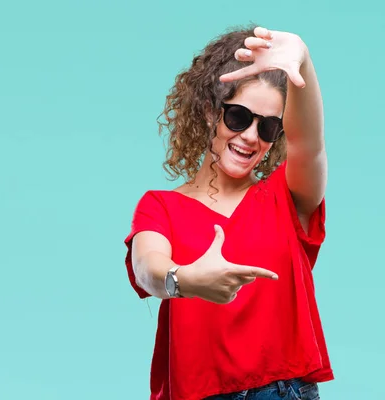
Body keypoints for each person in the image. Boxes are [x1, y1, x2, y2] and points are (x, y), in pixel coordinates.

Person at [124, 25, 332, 400]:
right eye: (238, 117)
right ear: (209, 112)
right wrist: (185, 280)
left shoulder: (286, 195)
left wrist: (302, 58)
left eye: (268, 127)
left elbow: (311, 144)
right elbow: (148, 270)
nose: (251, 136)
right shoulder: (161, 206)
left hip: (283, 392)